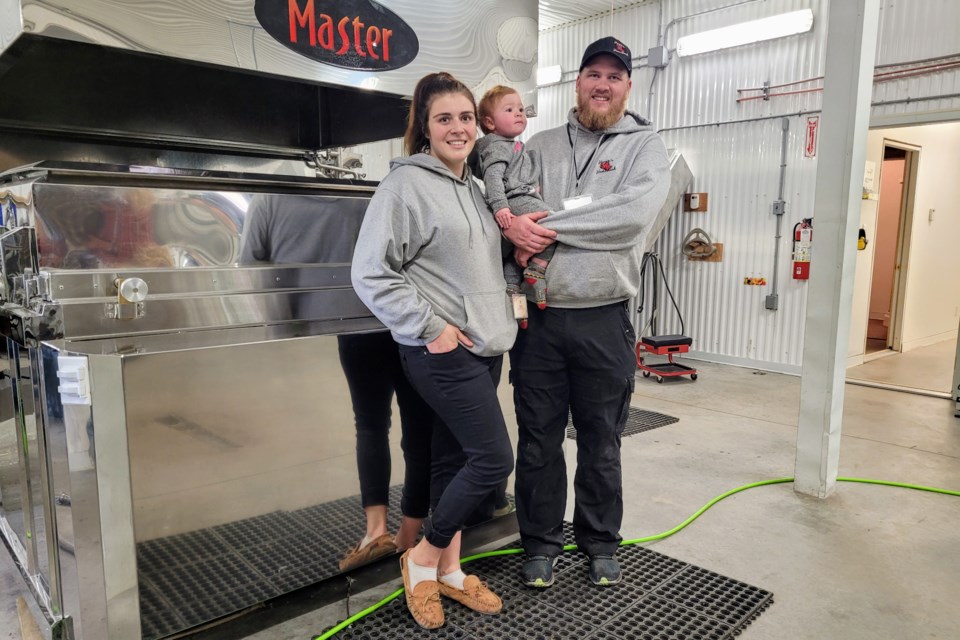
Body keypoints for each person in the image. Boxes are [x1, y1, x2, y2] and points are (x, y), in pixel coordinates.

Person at [501, 36, 671, 589]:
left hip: (605, 318)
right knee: (538, 439)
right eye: (593, 73)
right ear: (576, 81)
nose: (603, 84)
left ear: (627, 85)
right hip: (540, 320)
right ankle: (542, 542)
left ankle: (599, 542)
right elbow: (512, 199)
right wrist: (521, 220)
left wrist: (538, 231)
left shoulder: (645, 146)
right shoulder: (539, 145)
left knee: (601, 441)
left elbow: (631, 217)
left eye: (614, 76)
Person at [351, 72, 517, 629]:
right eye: (444, 118)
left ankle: (450, 572)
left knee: (453, 462)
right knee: (494, 460)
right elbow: (371, 272)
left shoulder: (474, 188)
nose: (458, 128)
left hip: (485, 345)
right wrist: (431, 326)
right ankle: (421, 562)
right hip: (440, 351)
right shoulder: (403, 187)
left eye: (466, 117)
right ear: (424, 127)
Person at [240, 195, 433, 570]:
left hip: (341, 324)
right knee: (418, 428)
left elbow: (250, 267)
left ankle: (374, 532)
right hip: (401, 320)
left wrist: (283, 324)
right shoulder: (373, 194)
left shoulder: (267, 201)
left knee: (371, 425)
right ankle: (410, 534)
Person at [476, 86, 552, 312]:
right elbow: (493, 177)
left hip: (519, 198)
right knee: (553, 222)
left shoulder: (513, 145)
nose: (519, 113)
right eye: (509, 109)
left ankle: (512, 286)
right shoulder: (497, 146)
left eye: (520, 108)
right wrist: (500, 207)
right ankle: (537, 267)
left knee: (511, 251)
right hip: (516, 200)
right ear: (490, 123)